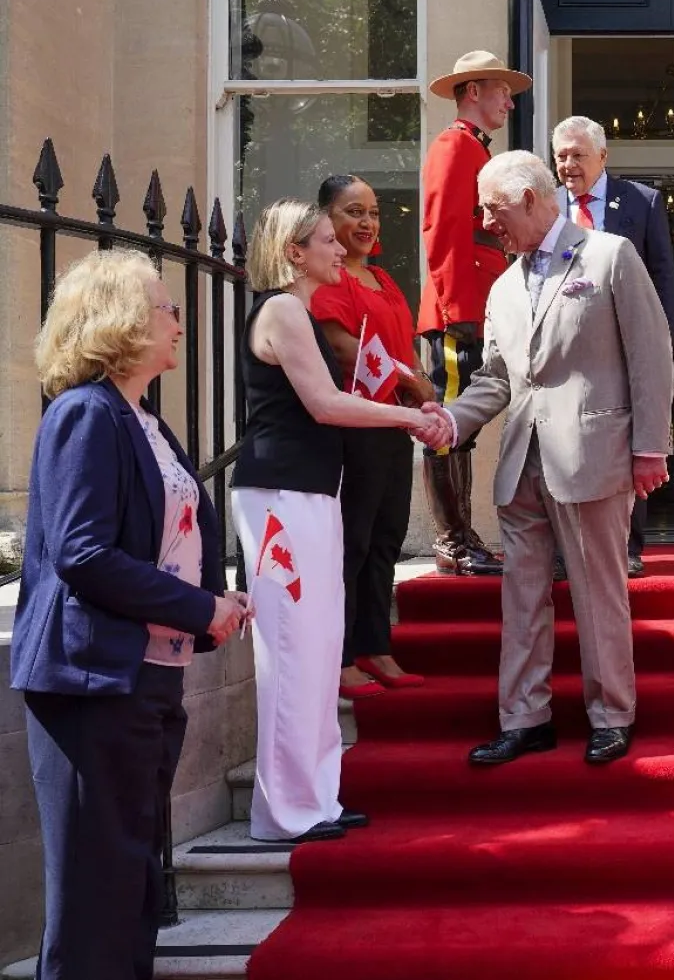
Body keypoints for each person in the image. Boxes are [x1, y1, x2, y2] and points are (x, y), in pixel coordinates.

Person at [12, 249, 251, 980]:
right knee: (96, 898)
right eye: (165, 307)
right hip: (92, 683)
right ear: (119, 320)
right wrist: (199, 605)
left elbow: (164, 537)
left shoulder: (141, 417)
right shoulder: (86, 414)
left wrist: (217, 600)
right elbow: (82, 555)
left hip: (147, 677)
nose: (178, 321)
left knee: (134, 886)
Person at [417, 151, 674, 767]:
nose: (485, 222)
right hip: (520, 463)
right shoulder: (504, 285)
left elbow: (651, 354)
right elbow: (497, 378)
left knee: (598, 593)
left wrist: (649, 449)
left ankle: (612, 714)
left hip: (593, 456)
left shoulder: (610, 255)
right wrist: (452, 418)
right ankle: (525, 718)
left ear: (531, 198)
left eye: (493, 208)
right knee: (522, 598)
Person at [236, 199, 436, 843]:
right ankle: (287, 808)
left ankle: (315, 799)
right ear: (295, 252)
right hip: (279, 496)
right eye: (325, 239)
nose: (337, 249)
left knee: (321, 645)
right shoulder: (283, 308)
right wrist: (410, 417)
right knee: (295, 646)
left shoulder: (298, 311)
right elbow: (325, 405)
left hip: (311, 491)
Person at [310, 174, 433, 700]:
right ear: (327, 219)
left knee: (386, 537)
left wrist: (417, 386)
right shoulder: (332, 281)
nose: (366, 223)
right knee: (352, 542)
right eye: (353, 212)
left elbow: (400, 348)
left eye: (374, 213)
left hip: (392, 425)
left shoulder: (384, 279)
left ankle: (376, 645)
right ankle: (339, 656)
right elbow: (343, 350)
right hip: (354, 424)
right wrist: (412, 382)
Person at [417, 50, 532, 576]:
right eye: (500, 90)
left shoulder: (474, 150)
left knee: (463, 425)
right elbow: (442, 234)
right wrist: (458, 306)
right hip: (457, 309)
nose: (509, 100)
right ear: (472, 93)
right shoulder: (453, 146)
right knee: (449, 422)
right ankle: (453, 542)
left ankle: (462, 538)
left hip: (474, 305)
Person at [553, 115, 674, 576]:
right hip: (565, 346)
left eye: (577, 155)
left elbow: (662, 277)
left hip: (627, 341)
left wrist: (662, 345)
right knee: (566, 439)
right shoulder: (545, 205)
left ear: (603, 157)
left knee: (633, 441)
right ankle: (566, 547)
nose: (568, 164)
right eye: (561, 155)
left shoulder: (643, 202)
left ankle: (629, 544)